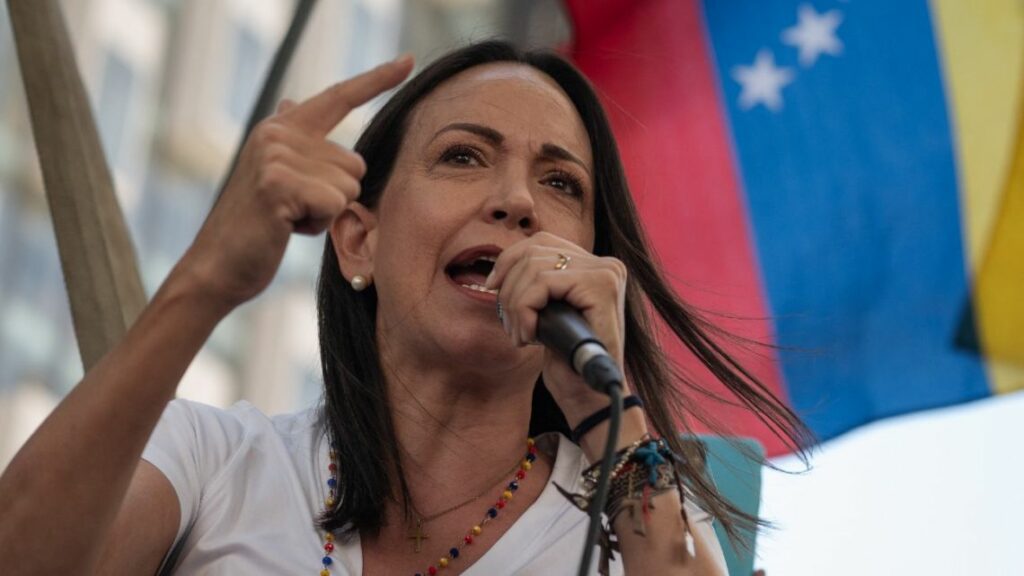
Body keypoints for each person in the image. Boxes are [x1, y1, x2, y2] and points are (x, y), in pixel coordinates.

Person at [0, 41, 808, 575]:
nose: (519, 201)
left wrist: (611, 415)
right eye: (463, 156)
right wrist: (209, 278)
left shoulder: (637, 529)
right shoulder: (216, 462)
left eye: (562, 183)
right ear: (357, 241)